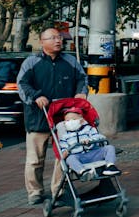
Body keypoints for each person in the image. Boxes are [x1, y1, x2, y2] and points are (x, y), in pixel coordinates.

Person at [17, 28, 88, 205]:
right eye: (53, 38)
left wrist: (81, 93)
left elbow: (82, 79)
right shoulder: (31, 62)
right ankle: (35, 192)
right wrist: (36, 96)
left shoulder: (70, 61)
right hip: (38, 117)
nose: (58, 41)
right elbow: (22, 84)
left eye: (59, 37)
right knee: (35, 159)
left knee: (64, 155)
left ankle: (59, 189)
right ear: (42, 42)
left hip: (64, 118)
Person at [56, 107, 121, 177]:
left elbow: (99, 137)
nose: (70, 122)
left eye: (74, 119)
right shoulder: (65, 136)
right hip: (79, 157)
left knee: (109, 148)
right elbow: (63, 148)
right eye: (67, 120)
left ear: (81, 121)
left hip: (93, 154)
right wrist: (65, 153)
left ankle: (110, 166)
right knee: (70, 158)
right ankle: (83, 172)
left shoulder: (89, 129)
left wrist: (90, 141)